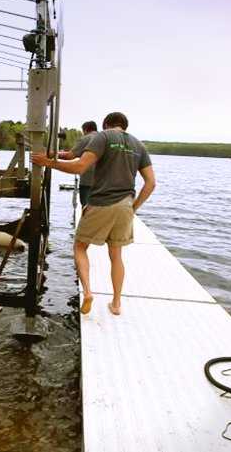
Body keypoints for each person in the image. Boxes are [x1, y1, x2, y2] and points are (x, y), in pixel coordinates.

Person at [31, 111, 156, 316]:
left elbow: (80, 166)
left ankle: (88, 292)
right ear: (125, 126)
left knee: (80, 247)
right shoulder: (139, 145)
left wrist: (50, 163)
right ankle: (116, 304)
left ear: (106, 124)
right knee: (116, 255)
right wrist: (133, 208)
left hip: (101, 202)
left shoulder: (103, 137)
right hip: (125, 205)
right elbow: (151, 183)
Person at [58, 121, 98, 206]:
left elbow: (69, 156)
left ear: (86, 130)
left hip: (87, 181)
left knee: (86, 208)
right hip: (103, 183)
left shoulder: (86, 138)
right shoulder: (104, 139)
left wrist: (51, 155)